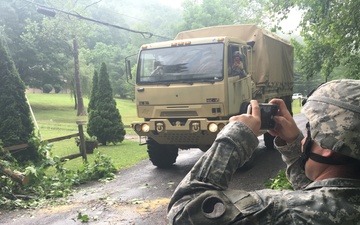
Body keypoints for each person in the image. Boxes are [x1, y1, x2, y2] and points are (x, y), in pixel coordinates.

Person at [167, 79, 360, 225]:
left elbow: (183, 211)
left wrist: (235, 136)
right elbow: (320, 193)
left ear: (327, 147)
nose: (304, 138)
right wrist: (293, 143)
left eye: (310, 130)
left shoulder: (282, 210)